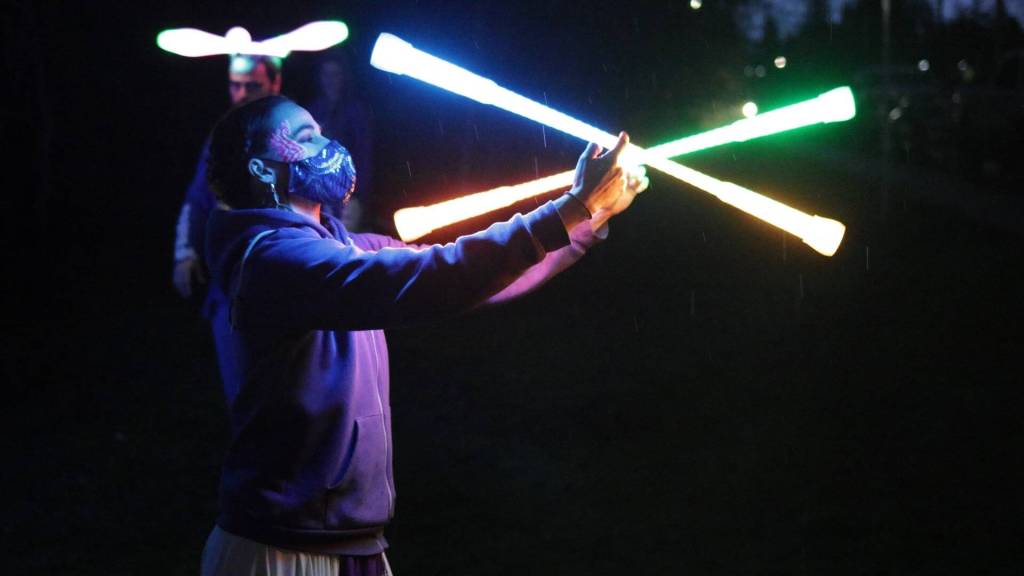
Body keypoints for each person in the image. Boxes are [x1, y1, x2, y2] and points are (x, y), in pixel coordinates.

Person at [198, 95, 647, 576]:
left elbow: (470, 277)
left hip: (354, 541)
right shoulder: (271, 263)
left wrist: (588, 218)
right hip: (278, 547)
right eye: (306, 138)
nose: (328, 145)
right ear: (262, 169)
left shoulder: (346, 250)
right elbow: (435, 276)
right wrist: (571, 207)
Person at [171, 53, 283, 405]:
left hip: (286, 275)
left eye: (253, 85)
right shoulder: (222, 137)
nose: (242, 93)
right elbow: (197, 196)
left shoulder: (293, 132)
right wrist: (184, 252)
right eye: (235, 85)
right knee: (242, 390)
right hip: (231, 285)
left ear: (274, 84)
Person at [303, 49, 374, 229]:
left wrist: (357, 196)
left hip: (348, 193)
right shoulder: (313, 110)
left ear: (343, 77)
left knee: (346, 235)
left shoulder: (355, 111)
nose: (330, 80)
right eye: (326, 74)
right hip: (318, 192)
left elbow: (364, 155)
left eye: (335, 75)